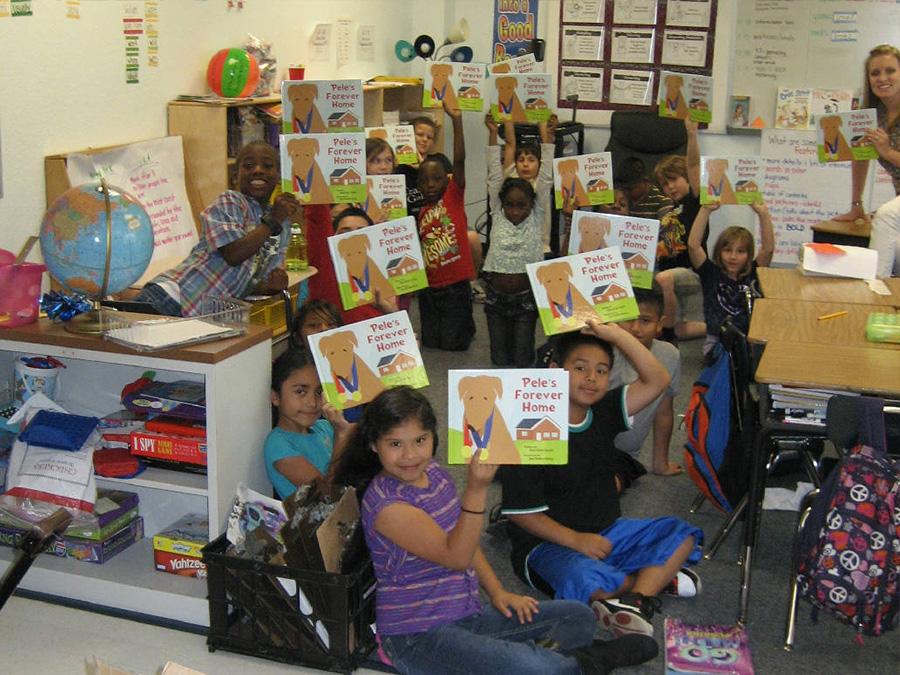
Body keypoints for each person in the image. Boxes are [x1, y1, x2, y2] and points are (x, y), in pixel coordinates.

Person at [332, 386, 659, 675]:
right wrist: (476, 489)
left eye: (420, 440)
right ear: (374, 445)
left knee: (577, 618)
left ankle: (527, 658)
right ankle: (588, 660)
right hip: (417, 635)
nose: (410, 455)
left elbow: (466, 537)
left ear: (433, 435)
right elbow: (457, 557)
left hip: (465, 614)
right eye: (394, 444)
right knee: (537, 667)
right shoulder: (388, 506)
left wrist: (498, 592)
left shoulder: (434, 473)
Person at [502, 319, 703, 638]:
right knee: (583, 577)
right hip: (548, 545)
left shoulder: (605, 409)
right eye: (580, 368)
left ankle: (635, 599)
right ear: (554, 369)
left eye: (601, 370)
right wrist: (576, 540)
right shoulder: (528, 428)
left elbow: (657, 379)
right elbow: (521, 514)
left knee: (680, 533)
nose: (591, 378)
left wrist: (616, 334)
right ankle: (651, 581)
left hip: (608, 532)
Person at [134, 141, 299, 317]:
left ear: (278, 176)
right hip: (171, 299)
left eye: (267, 166)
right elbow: (233, 254)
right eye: (249, 166)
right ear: (235, 176)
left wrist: (271, 287)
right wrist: (273, 220)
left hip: (202, 315)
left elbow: (250, 282)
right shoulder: (230, 202)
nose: (258, 170)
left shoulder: (282, 224)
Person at [481, 116, 555, 367]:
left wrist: (548, 138)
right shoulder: (497, 212)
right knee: (499, 360)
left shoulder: (537, 213)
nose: (514, 211)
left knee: (523, 359)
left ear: (532, 204)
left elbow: (545, 176)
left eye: (520, 205)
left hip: (526, 300)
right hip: (496, 299)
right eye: (509, 205)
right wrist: (493, 133)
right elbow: (493, 171)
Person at [835, 44, 900, 278]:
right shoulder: (875, 113)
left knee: (886, 215)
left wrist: (887, 151)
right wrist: (856, 205)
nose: (883, 78)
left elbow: (884, 152)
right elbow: (859, 155)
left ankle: (875, 289)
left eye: (890, 71)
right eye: (875, 73)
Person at [416, 102, 478, 351]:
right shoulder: (421, 213)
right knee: (432, 344)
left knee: (454, 346)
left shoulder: (452, 197)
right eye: (424, 180)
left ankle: (468, 326)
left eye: (436, 179)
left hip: (455, 288)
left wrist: (457, 120)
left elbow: (460, 159)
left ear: (448, 180)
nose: (430, 184)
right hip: (430, 289)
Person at [610, 282, 683, 476]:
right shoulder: (605, 352)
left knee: (609, 488)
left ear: (660, 324)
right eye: (628, 319)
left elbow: (664, 411)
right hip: (584, 446)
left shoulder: (669, 355)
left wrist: (661, 463)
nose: (635, 328)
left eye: (645, 321)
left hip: (624, 456)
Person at [264, 348, 352, 499]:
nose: (312, 403)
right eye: (300, 392)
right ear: (275, 397)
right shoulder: (278, 445)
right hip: (323, 521)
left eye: (319, 392)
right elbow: (327, 497)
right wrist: (341, 435)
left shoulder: (324, 426)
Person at [688, 199, 774, 353]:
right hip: (717, 340)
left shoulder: (755, 273)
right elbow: (693, 246)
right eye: (728, 250)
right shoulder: (711, 273)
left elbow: (767, 250)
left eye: (740, 251)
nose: (733, 257)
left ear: (748, 254)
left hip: (749, 339)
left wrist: (764, 215)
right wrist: (705, 210)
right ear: (719, 251)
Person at [651, 119, 707, 342]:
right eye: (665, 185)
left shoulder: (696, 201)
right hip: (670, 270)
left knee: (664, 279)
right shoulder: (670, 210)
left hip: (692, 270)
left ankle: (667, 333)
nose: (670, 187)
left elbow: (693, 165)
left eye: (674, 180)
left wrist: (691, 135)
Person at [306, 206, 398, 326]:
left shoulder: (381, 273)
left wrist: (390, 311)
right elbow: (317, 218)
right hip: (336, 343)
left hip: (377, 340)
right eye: (344, 233)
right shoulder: (325, 266)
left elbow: (395, 319)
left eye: (361, 232)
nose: (353, 238)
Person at [486, 115, 559, 254]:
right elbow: (510, 144)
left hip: (538, 249)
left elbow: (547, 152)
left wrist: (544, 123)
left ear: (539, 164)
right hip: (509, 247)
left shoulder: (541, 184)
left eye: (531, 160)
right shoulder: (510, 177)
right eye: (521, 160)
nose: (525, 164)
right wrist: (506, 117)